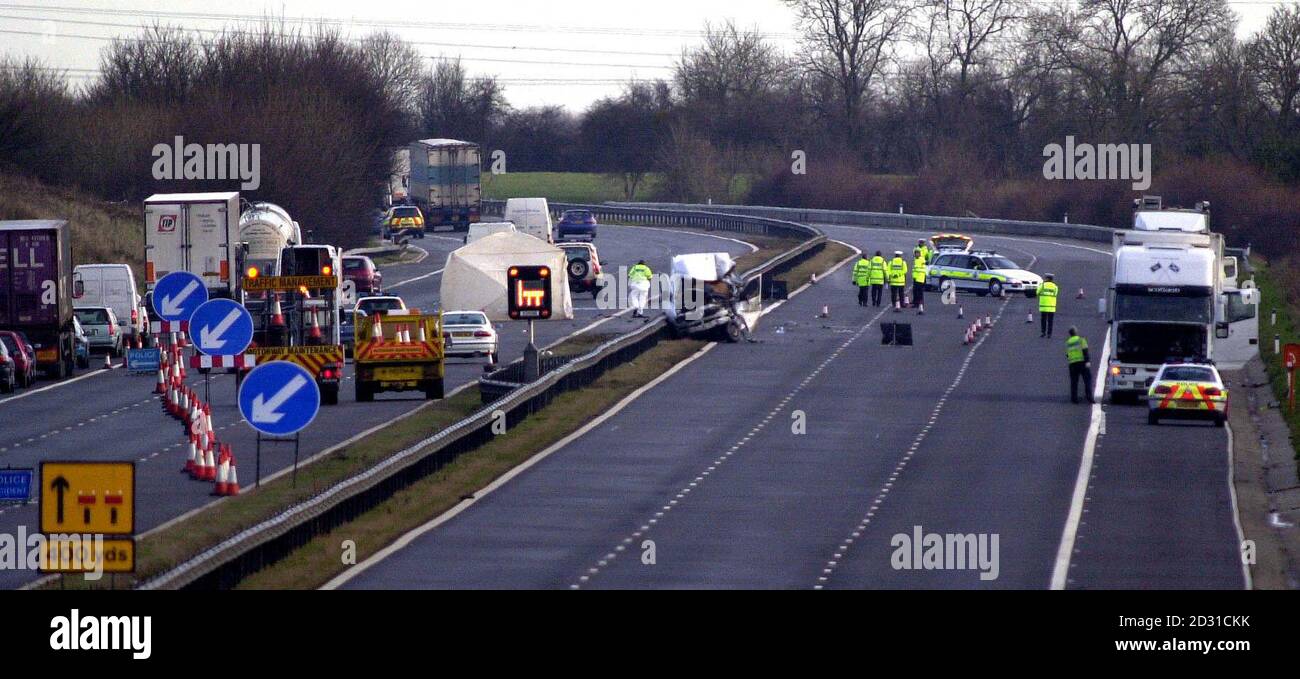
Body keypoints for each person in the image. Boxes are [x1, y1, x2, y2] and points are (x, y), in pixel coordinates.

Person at [1065, 326, 1094, 404]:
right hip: (1082, 363)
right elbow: (1085, 351)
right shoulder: (1081, 340)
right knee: (1087, 380)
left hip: (1072, 364)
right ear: (1076, 332)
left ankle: (1074, 399)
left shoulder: (1068, 342)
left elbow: (1067, 354)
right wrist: (1087, 361)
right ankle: (1089, 397)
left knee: (1074, 382)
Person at [1038, 273, 1059, 338]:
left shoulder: (1043, 285)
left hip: (1043, 306)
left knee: (1043, 320)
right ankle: (1049, 334)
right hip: (1052, 307)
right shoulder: (1055, 286)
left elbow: (1037, 292)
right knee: (1050, 321)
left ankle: (1043, 332)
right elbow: (1055, 294)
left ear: (1047, 278)